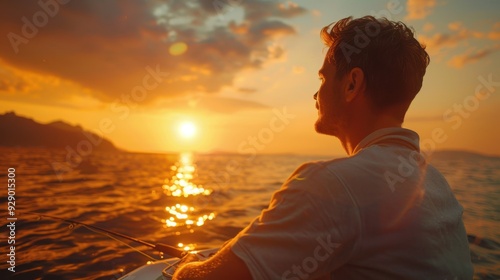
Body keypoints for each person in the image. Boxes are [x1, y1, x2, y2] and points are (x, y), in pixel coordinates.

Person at [172, 16, 474, 280]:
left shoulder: (331, 185)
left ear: (352, 84)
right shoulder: (435, 184)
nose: (316, 94)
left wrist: (188, 266)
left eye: (323, 77)